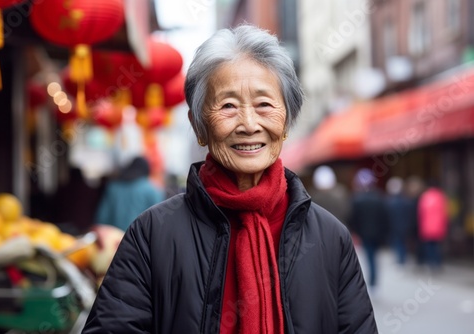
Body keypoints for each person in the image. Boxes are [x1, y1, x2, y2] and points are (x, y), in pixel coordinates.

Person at [83, 25, 377, 333]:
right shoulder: (152, 235)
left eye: (264, 104)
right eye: (228, 106)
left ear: (287, 120)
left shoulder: (331, 238)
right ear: (199, 127)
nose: (249, 125)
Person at [94, 156, 164, 231]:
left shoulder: (113, 187)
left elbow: (102, 217)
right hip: (139, 239)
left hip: (114, 238)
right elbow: (158, 221)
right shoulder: (152, 190)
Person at [348, 168, 389, 295]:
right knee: (373, 257)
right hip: (376, 233)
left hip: (364, 234)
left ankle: (372, 282)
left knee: (370, 257)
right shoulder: (379, 197)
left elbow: (353, 218)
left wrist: (356, 232)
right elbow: (384, 217)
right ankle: (374, 282)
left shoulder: (357, 199)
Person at [417, 181, 449, 271]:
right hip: (439, 226)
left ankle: (431, 263)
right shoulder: (441, 197)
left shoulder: (425, 197)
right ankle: (438, 263)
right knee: (437, 246)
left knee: (429, 247)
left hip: (427, 226)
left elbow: (421, 214)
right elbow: (445, 213)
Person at [385, 176, 415, 266]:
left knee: (398, 242)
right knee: (402, 242)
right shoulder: (407, 201)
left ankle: (400, 259)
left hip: (395, 226)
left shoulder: (389, 202)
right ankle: (402, 258)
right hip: (404, 225)